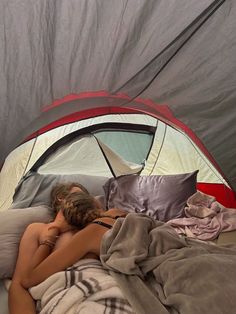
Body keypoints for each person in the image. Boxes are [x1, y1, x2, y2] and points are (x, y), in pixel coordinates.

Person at [8, 182, 91, 314]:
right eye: (78, 196)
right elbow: (18, 286)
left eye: (86, 199)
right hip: (62, 297)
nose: (83, 202)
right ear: (61, 198)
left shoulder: (95, 227)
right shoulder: (38, 230)